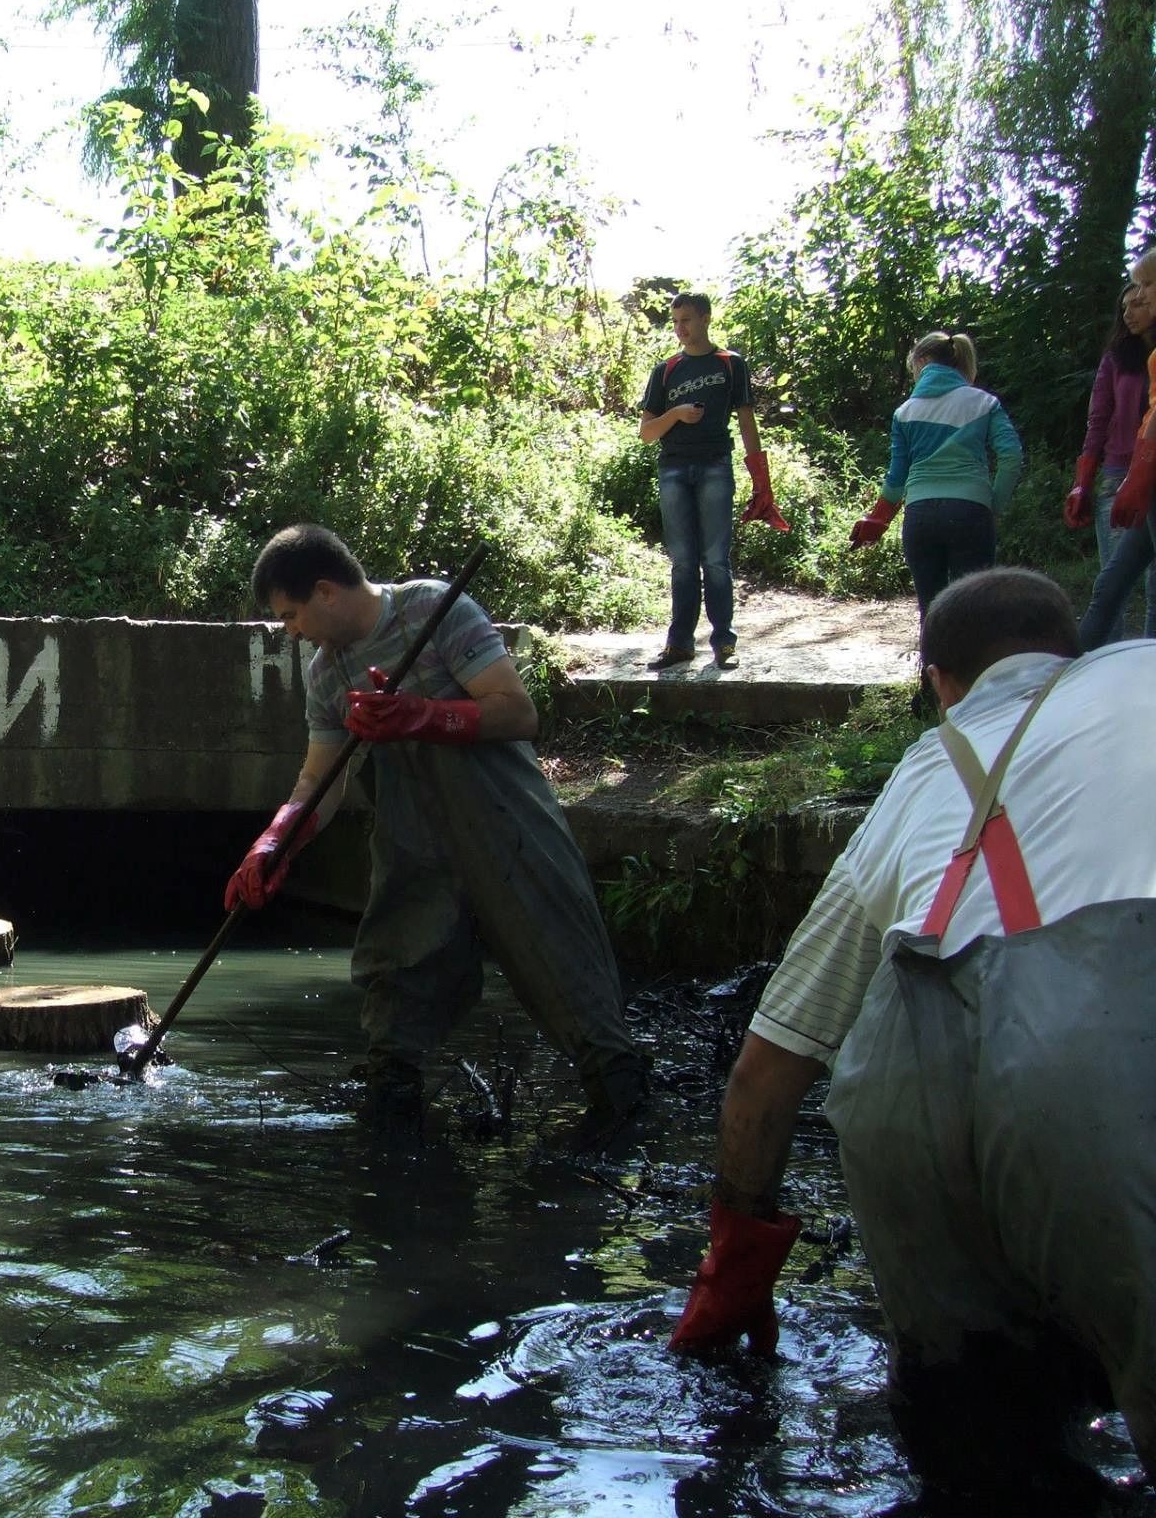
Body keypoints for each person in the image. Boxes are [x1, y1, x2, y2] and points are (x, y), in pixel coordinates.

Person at [669, 567, 1156, 1500]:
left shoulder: (924, 772)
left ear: (937, 680)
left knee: (979, 1464)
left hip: (899, 1108)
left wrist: (733, 1272)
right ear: (1075, 651)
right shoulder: (1139, 678)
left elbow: (767, 1068)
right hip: (1102, 1084)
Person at [226, 524, 649, 1136]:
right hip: (414, 838)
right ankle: (392, 1119)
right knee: (399, 971)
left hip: (505, 822)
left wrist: (423, 714)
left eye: (291, 615)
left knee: (562, 961)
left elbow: (517, 712)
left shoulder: (432, 607)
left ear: (326, 592)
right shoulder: (326, 675)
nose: (290, 630)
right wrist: (275, 842)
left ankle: (622, 1109)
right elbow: (319, 782)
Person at [636, 291, 783, 674]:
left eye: (686, 320)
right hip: (673, 469)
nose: (679, 329)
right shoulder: (665, 370)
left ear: (705, 319)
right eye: (675, 322)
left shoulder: (730, 364)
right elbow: (647, 432)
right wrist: (676, 414)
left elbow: (747, 421)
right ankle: (680, 644)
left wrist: (761, 481)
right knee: (682, 562)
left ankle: (724, 644)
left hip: (716, 466)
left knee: (716, 560)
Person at [849, 332, 1024, 615]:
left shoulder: (905, 412)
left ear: (922, 361)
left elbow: (896, 479)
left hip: (921, 516)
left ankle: (932, 660)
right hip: (971, 512)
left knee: (931, 614)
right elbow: (1011, 456)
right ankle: (973, 661)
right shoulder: (983, 402)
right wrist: (994, 503)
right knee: (975, 612)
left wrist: (877, 519)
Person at [1064, 284, 1152, 644]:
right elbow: (1098, 420)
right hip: (1119, 474)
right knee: (1111, 582)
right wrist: (1083, 482)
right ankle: (1090, 671)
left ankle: (1149, 674)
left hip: (1153, 473)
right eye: (1124, 307)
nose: (1129, 313)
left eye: (1139, 303)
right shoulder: (1117, 358)